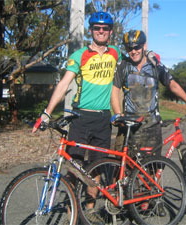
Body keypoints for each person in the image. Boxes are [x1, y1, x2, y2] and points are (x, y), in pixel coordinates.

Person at [33, 11, 121, 224]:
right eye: (97, 28)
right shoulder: (79, 55)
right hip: (80, 118)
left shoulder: (116, 53)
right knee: (74, 166)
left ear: (110, 32)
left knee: (97, 167)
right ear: (91, 30)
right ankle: (73, 212)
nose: (101, 31)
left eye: (105, 28)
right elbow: (64, 84)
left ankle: (89, 211)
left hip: (103, 119)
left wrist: (119, 112)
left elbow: (115, 86)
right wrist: (46, 112)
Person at [111, 29, 186, 161]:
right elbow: (115, 91)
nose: (133, 51)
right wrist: (119, 114)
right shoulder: (123, 66)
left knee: (152, 169)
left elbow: (173, 85)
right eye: (129, 48)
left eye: (137, 47)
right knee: (124, 167)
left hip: (151, 125)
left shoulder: (155, 66)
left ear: (144, 46)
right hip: (130, 124)